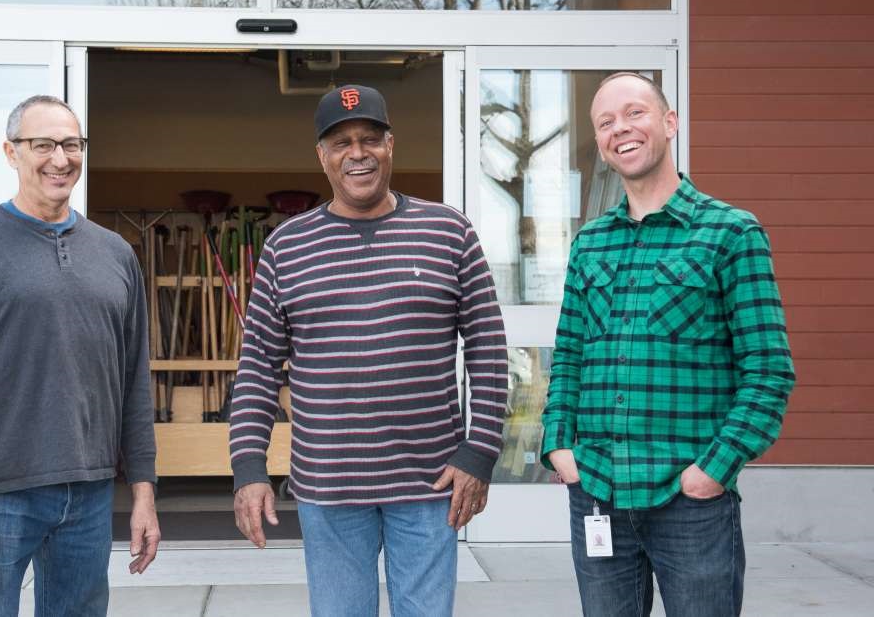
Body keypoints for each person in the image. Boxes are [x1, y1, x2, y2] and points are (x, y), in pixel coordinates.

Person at [229, 84, 508, 616]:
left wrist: (479, 451)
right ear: (321, 156)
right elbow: (258, 369)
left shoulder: (449, 232)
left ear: (390, 145)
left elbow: (489, 350)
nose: (357, 153)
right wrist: (248, 470)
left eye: (369, 139)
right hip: (328, 486)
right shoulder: (285, 248)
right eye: (340, 143)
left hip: (429, 483)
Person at [541, 73, 795, 617]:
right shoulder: (591, 243)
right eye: (605, 122)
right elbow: (568, 357)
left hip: (690, 501)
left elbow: (769, 370)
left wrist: (711, 472)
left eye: (635, 113)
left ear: (670, 123)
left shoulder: (730, 233)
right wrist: (561, 448)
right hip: (598, 491)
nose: (621, 129)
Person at [0, 95, 161, 617]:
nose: (60, 158)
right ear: (11, 152)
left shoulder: (115, 254)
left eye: (72, 145)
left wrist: (143, 491)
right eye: (43, 144)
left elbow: (133, 382)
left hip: (90, 494)